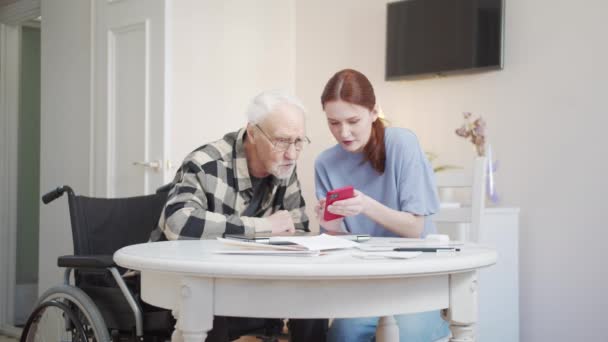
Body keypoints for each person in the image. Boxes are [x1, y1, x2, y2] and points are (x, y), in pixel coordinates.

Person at [151, 90, 327, 342]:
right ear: (253, 133)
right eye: (282, 141)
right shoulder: (206, 164)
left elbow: (296, 228)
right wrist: (263, 226)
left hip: (247, 282)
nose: (292, 154)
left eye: (298, 141)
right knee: (212, 302)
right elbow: (177, 223)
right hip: (184, 286)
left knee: (313, 299)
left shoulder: (284, 165)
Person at [314, 69, 450, 342]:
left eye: (353, 120)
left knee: (412, 334)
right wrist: (330, 227)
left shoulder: (401, 143)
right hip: (363, 279)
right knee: (343, 335)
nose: (344, 132)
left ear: (374, 112)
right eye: (333, 123)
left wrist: (365, 205)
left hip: (414, 275)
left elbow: (415, 229)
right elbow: (339, 245)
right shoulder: (325, 163)